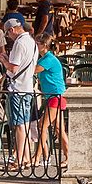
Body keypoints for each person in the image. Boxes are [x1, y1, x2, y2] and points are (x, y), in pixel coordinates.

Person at [0, 18, 39, 174]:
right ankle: (26, 158)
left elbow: (13, 68)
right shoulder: (31, 41)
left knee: (19, 126)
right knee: (25, 124)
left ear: (12, 30)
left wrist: (3, 61)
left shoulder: (19, 43)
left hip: (17, 89)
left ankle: (19, 160)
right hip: (28, 87)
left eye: (8, 34)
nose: (8, 38)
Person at [32, 35, 69, 173]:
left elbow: (33, 70)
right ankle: (69, 156)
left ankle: (37, 157)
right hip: (54, 96)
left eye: (37, 43)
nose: (36, 45)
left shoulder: (48, 59)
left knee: (42, 125)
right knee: (58, 129)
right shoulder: (43, 59)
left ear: (44, 45)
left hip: (56, 96)